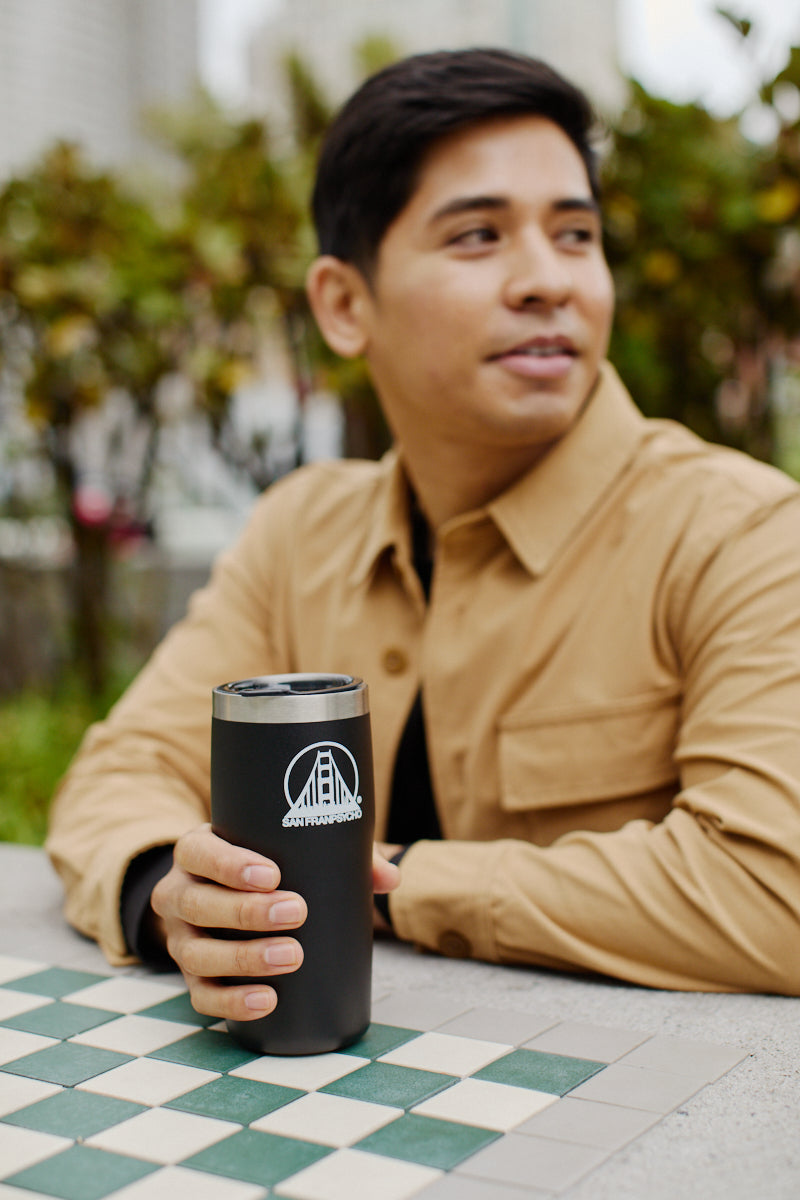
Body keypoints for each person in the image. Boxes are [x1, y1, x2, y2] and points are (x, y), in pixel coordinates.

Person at [47, 48, 800, 1016]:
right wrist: (172, 892)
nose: (546, 280)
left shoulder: (741, 537)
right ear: (344, 305)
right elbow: (121, 772)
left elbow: (772, 888)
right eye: (478, 235)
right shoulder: (297, 535)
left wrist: (392, 883)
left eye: (575, 235)